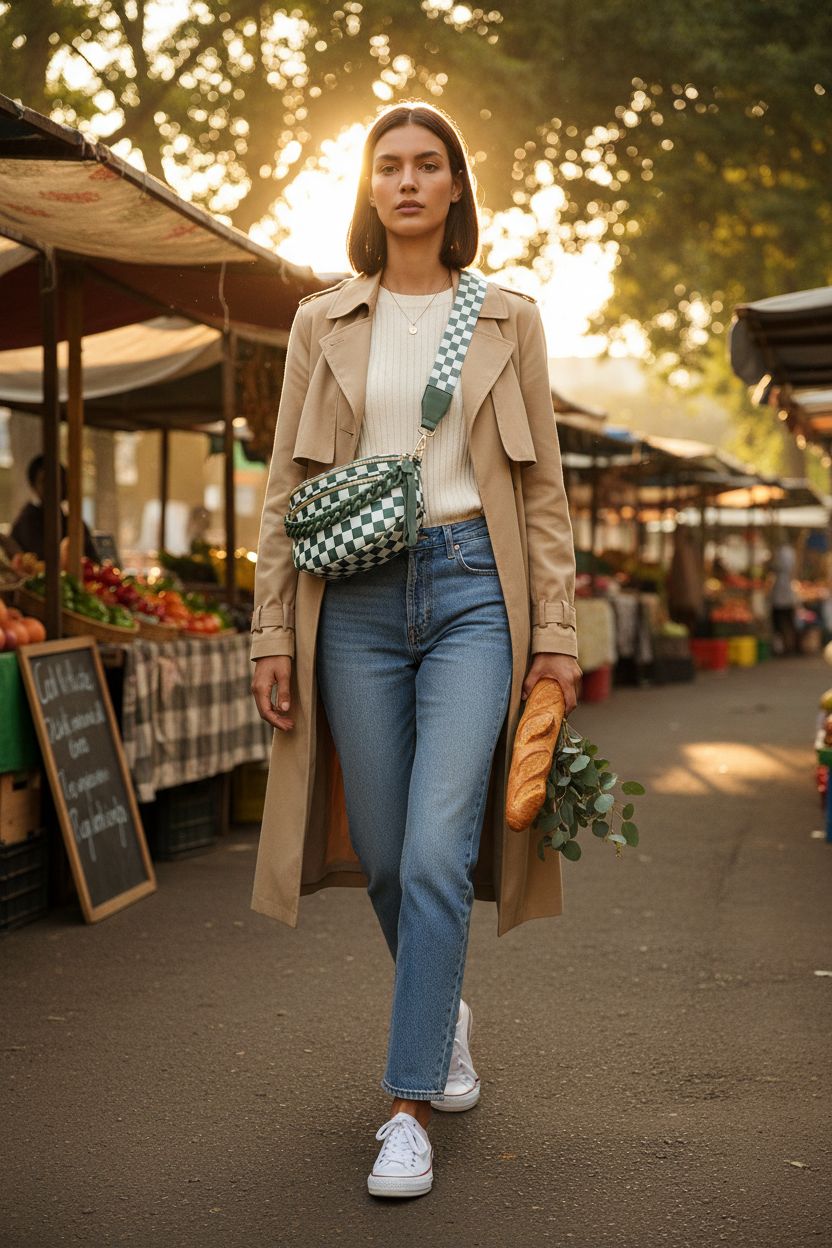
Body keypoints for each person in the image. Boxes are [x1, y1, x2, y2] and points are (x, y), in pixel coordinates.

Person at [249, 101, 581, 1199]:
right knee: (388, 860)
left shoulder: (508, 320)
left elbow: (541, 496)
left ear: (452, 189)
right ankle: (445, 1012)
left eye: (425, 165)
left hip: (475, 599)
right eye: (385, 165)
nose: (404, 181)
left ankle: (404, 1110)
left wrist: (557, 640)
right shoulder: (320, 323)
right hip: (349, 604)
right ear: (368, 189)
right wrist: (270, 633)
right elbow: (285, 493)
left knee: (441, 854)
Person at [9, 454, 98, 562]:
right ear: (34, 486)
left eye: (59, 479)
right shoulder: (28, 522)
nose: (55, 487)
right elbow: (47, 563)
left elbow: (94, 563)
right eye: (45, 481)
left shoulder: (74, 523)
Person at [769, 538, 798, 655]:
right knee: (786, 621)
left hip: (782, 592)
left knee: (782, 621)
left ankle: (786, 647)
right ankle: (787, 647)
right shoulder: (790, 552)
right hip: (784, 592)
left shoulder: (781, 553)